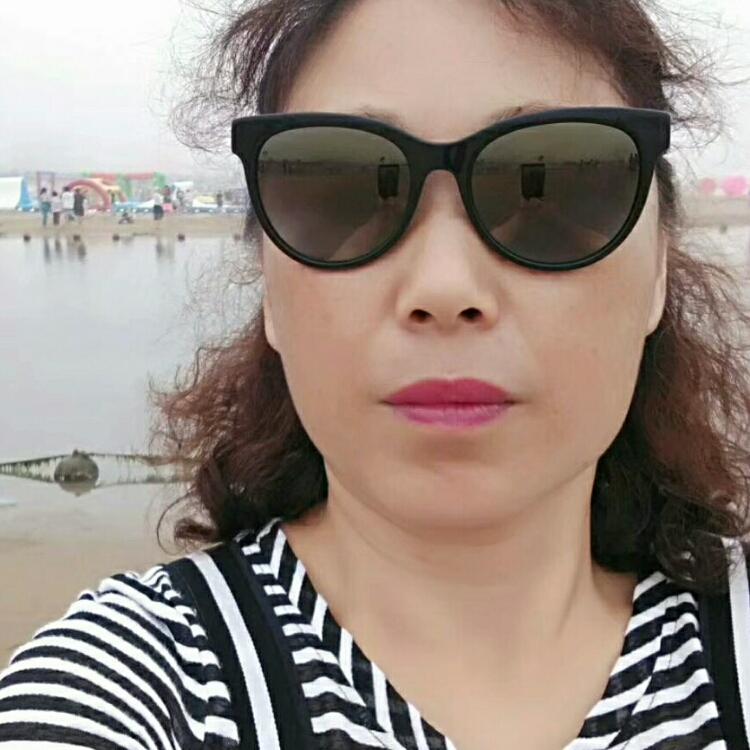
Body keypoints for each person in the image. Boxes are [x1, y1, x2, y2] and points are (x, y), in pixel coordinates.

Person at [1, 1, 750, 749]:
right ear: (269, 289)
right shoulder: (138, 688)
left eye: (549, 186)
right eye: (347, 191)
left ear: (658, 269)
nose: (445, 286)